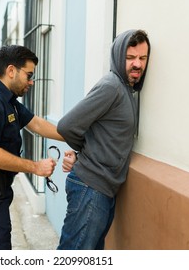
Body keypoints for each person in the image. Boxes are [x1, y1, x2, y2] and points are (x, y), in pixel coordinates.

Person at [0, 45, 64, 250]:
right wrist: (35, 167)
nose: (31, 81)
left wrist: (74, 136)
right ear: (11, 71)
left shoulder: (8, 100)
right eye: (28, 75)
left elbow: (36, 124)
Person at [57, 29, 151, 249]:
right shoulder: (111, 86)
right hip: (91, 187)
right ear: (119, 57)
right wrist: (87, 154)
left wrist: (84, 153)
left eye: (142, 58)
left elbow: (101, 131)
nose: (137, 64)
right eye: (130, 58)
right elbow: (66, 126)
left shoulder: (127, 90)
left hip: (102, 189)